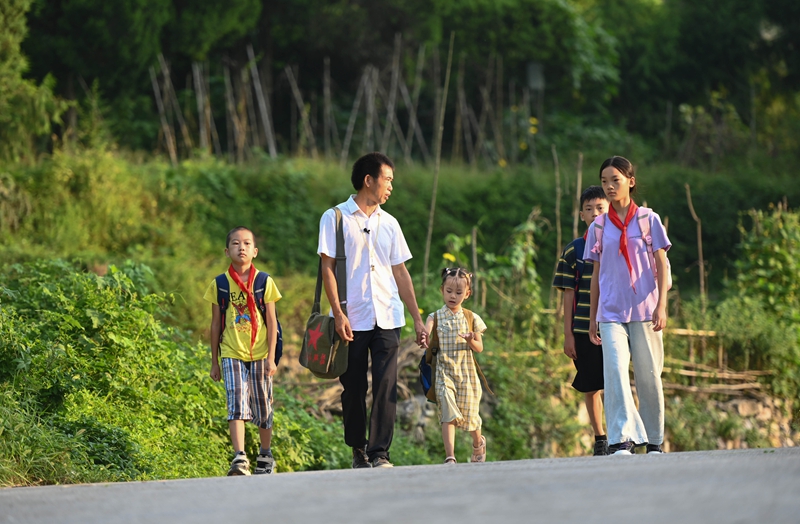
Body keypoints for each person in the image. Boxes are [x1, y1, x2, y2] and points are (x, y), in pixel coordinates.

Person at [317, 152, 427, 469]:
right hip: (352, 317)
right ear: (369, 180)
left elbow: (401, 272)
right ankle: (358, 447)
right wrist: (337, 312)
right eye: (388, 179)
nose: (391, 186)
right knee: (353, 388)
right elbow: (327, 269)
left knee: (385, 384)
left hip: (388, 316)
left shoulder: (390, 223)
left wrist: (417, 318)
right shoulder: (335, 218)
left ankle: (380, 453)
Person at [585, 156, 671, 455]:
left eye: (615, 180)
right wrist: (593, 315)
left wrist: (662, 306)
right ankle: (621, 439)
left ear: (630, 182)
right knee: (616, 371)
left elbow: (662, 264)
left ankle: (654, 440)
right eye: (605, 181)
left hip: (645, 309)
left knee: (648, 376)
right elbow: (596, 274)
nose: (609, 186)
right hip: (610, 311)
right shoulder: (598, 227)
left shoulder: (648, 219)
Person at [203, 226, 282, 475]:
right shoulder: (220, 284)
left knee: (263, 405)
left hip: (260, 353)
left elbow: (272, 322)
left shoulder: (264, 281)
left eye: (247, 243)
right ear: (227, 251)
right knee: (235, 400)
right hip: (231, 351)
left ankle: (265, 454)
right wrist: (214, 361)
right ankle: (240, 457)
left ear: (255, 251)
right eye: (236, 244)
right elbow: (216, 324)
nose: (242, 248)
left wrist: (271, 358)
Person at [552, 185, 610, 456]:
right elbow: (567, 294)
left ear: (610, 209)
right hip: (581, 327)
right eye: (589, 209)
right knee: (591, 384)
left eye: (600, 208)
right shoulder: (574, 250)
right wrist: (568, 334)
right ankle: (600, 437)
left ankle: (622, 434)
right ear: (581, 215)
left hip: (613, 324)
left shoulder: (618, 244)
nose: (595, 213)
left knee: (616, 382)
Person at [426, 267, 488, 464]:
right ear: (442, 289)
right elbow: (426, 336)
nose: (453, 296)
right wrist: (422, 338)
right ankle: (450, 456)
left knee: (470, 415)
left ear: (467, 294)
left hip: (467, 373)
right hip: (444, 371)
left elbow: (479, 348)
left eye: (459, 292)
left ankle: (478, 444)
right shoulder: (434, 317)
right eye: (449, 291)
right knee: (447, 410)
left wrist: (471, 339)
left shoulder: (471, 318)